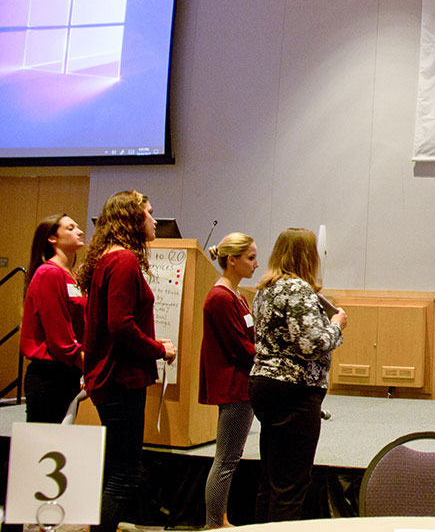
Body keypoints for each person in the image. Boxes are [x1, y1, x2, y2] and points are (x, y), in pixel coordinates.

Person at [77, 190, 177, 532]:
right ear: (132, 219)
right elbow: (119, 325)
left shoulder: (109, 258)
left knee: (117, 467)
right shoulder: (123, 261)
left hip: (115, 379)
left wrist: (151, 342)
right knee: (124, 472)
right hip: (120, 380)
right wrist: (158, 349)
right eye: (149, 213)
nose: (154, 219)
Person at [249, 228, 346, 522]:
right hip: (294, 390)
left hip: (264, 385)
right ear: (308, 256)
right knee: (291, 484)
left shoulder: (265, 289)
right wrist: (337, 325)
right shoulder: (298, 290)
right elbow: (311, 344)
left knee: (271, 479)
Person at [199, 233, 259, 528]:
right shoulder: (221, 298)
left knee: (229, 458)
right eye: (250, 258)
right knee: (225, 460)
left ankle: (218, 518)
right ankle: (214, 522)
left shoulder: (236, 294)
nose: (256, 264)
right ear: (231, 260)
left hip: (241, 384)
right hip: (233, 386)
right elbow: (241, 347)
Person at [20, 213, 86, 423]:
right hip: (49, 377)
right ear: (52, 238)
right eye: (70, 228)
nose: (80, 231)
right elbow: (60, 339)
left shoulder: (72, 276)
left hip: (69, 373)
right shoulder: (49, 274)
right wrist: (92, 367)